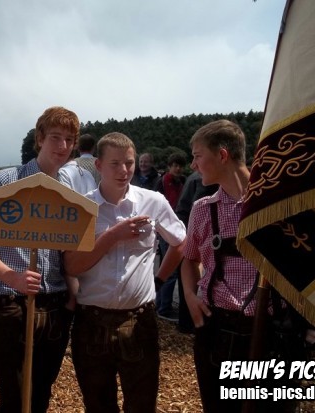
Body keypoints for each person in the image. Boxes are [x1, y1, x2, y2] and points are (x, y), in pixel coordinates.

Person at [181, 119, 305, 413]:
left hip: (273, 335)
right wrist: (189, 296)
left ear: (222, 155)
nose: (193, 165)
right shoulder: (203, 209)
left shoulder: (279, 203)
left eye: (198, 156)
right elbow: (189, 259)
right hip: (217, 332)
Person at [0, 106, 79, 413]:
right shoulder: (7, 180)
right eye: (55, 137)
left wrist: (72, 298)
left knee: (40, 395)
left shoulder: (66, 187)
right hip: (12, 305)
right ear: (39, 139)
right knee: (14, 399)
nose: (63, 146)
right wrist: (12, 276)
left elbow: (68, 250)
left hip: (54, 305)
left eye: (69, 139)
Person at [63, 132, 187, 412]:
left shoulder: (153, 201)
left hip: (139, 320)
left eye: (129, 163)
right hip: (92, 322)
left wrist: (159, 280)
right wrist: (112, 236)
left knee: (142, 404)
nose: (124, 170)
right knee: (98, 405)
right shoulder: (82, 208)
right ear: (99, 165)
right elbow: (71, 265)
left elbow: (181, 242)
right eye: (115, 163)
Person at [174, 170, 218, 333]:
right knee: (193, 281)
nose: (193, 164)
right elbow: (202, 210)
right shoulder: (203, 179)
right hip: (194, 236)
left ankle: (186, 323)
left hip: (187, 232)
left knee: (187, 281)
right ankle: (190, 323)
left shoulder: (195, 177)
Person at [154, 152, 187, 322]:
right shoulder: (162, 182)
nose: (178, 168)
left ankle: (160, 304)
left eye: (180, 166)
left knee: (166, 267)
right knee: (171, 270)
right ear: (169, 166)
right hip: (165, 228)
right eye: (175, 165)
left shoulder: (182, 181)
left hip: (176, 226)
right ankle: (164, 308)